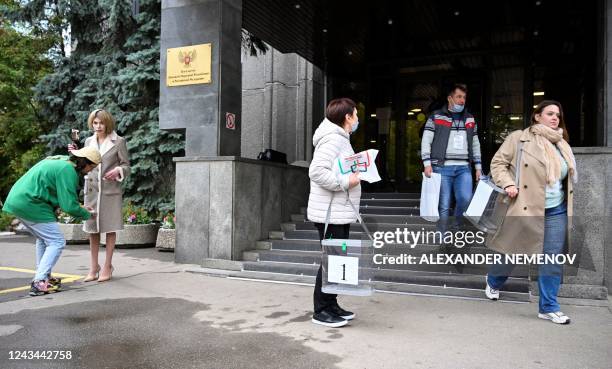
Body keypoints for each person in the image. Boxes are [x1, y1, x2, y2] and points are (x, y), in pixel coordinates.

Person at [485, 100, 577, 324]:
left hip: (556, 209)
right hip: (525, 205)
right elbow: (498, 163)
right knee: (512, 252)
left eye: (558, 114)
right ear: (537, 116)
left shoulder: (561, 143)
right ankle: (494, 280)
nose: (555, 118)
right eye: (550, 113)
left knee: (552, 258)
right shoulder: (519, 138)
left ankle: (548, 306)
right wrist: (507, 183)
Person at [2, 148, 101, 296]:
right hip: (31, 203)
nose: (89, 171)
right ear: (84, 162)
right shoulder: (67, 171)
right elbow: (68, 206)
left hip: (20, 199)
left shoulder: (61, 161)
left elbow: (60, 195)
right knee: (57, 241)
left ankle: (44, 277)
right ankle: (39, 282)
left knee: (44, 239)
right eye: (91, 167)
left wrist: (79, 207)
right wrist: (87, 214)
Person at [307, 98, 362, 328]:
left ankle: (331, 304)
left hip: (338, 212)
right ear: (347, 117)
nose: (358, 118)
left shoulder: (341, 139)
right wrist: (345, 182)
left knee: (336, 259)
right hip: (330, 213)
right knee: (330, 260)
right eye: (356, 114)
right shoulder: (332, 139)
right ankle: (321, 310)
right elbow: (317, 171)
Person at [69, 109, 130, 282]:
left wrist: (118, 170)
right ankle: (93, 266)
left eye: (101, 123)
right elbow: (84, 164)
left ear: (107, 123)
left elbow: (126, 166)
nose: (98, 126)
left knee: (110, 228)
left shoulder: (118, 142)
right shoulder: (88, 141)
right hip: (91, 191)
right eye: (95, 123)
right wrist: (75, 153)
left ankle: (107, 266)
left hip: (111, 191)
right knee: (92, 229)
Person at [421, 84, 482, 235]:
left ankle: (456, 226)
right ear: (450, 98)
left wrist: (478, 167)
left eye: (464, 97)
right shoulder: (436, 117)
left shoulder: (470, 119)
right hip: (442, 168)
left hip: (464, 168)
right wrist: (427, 164)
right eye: (458, 97)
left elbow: (475, 143)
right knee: (444, 205)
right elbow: (426, 141)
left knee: (465, 198)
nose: (462, 101)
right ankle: (441, 235)